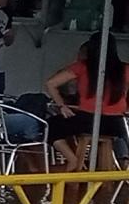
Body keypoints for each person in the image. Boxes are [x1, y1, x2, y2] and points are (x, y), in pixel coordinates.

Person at [46, 32, 129, 171]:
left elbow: (51, 83)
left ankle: (72, 160)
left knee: (50, 125)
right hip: (116, 123)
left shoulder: (83, 67)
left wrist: (62, 106)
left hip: (87, 121)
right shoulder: (125, 69)